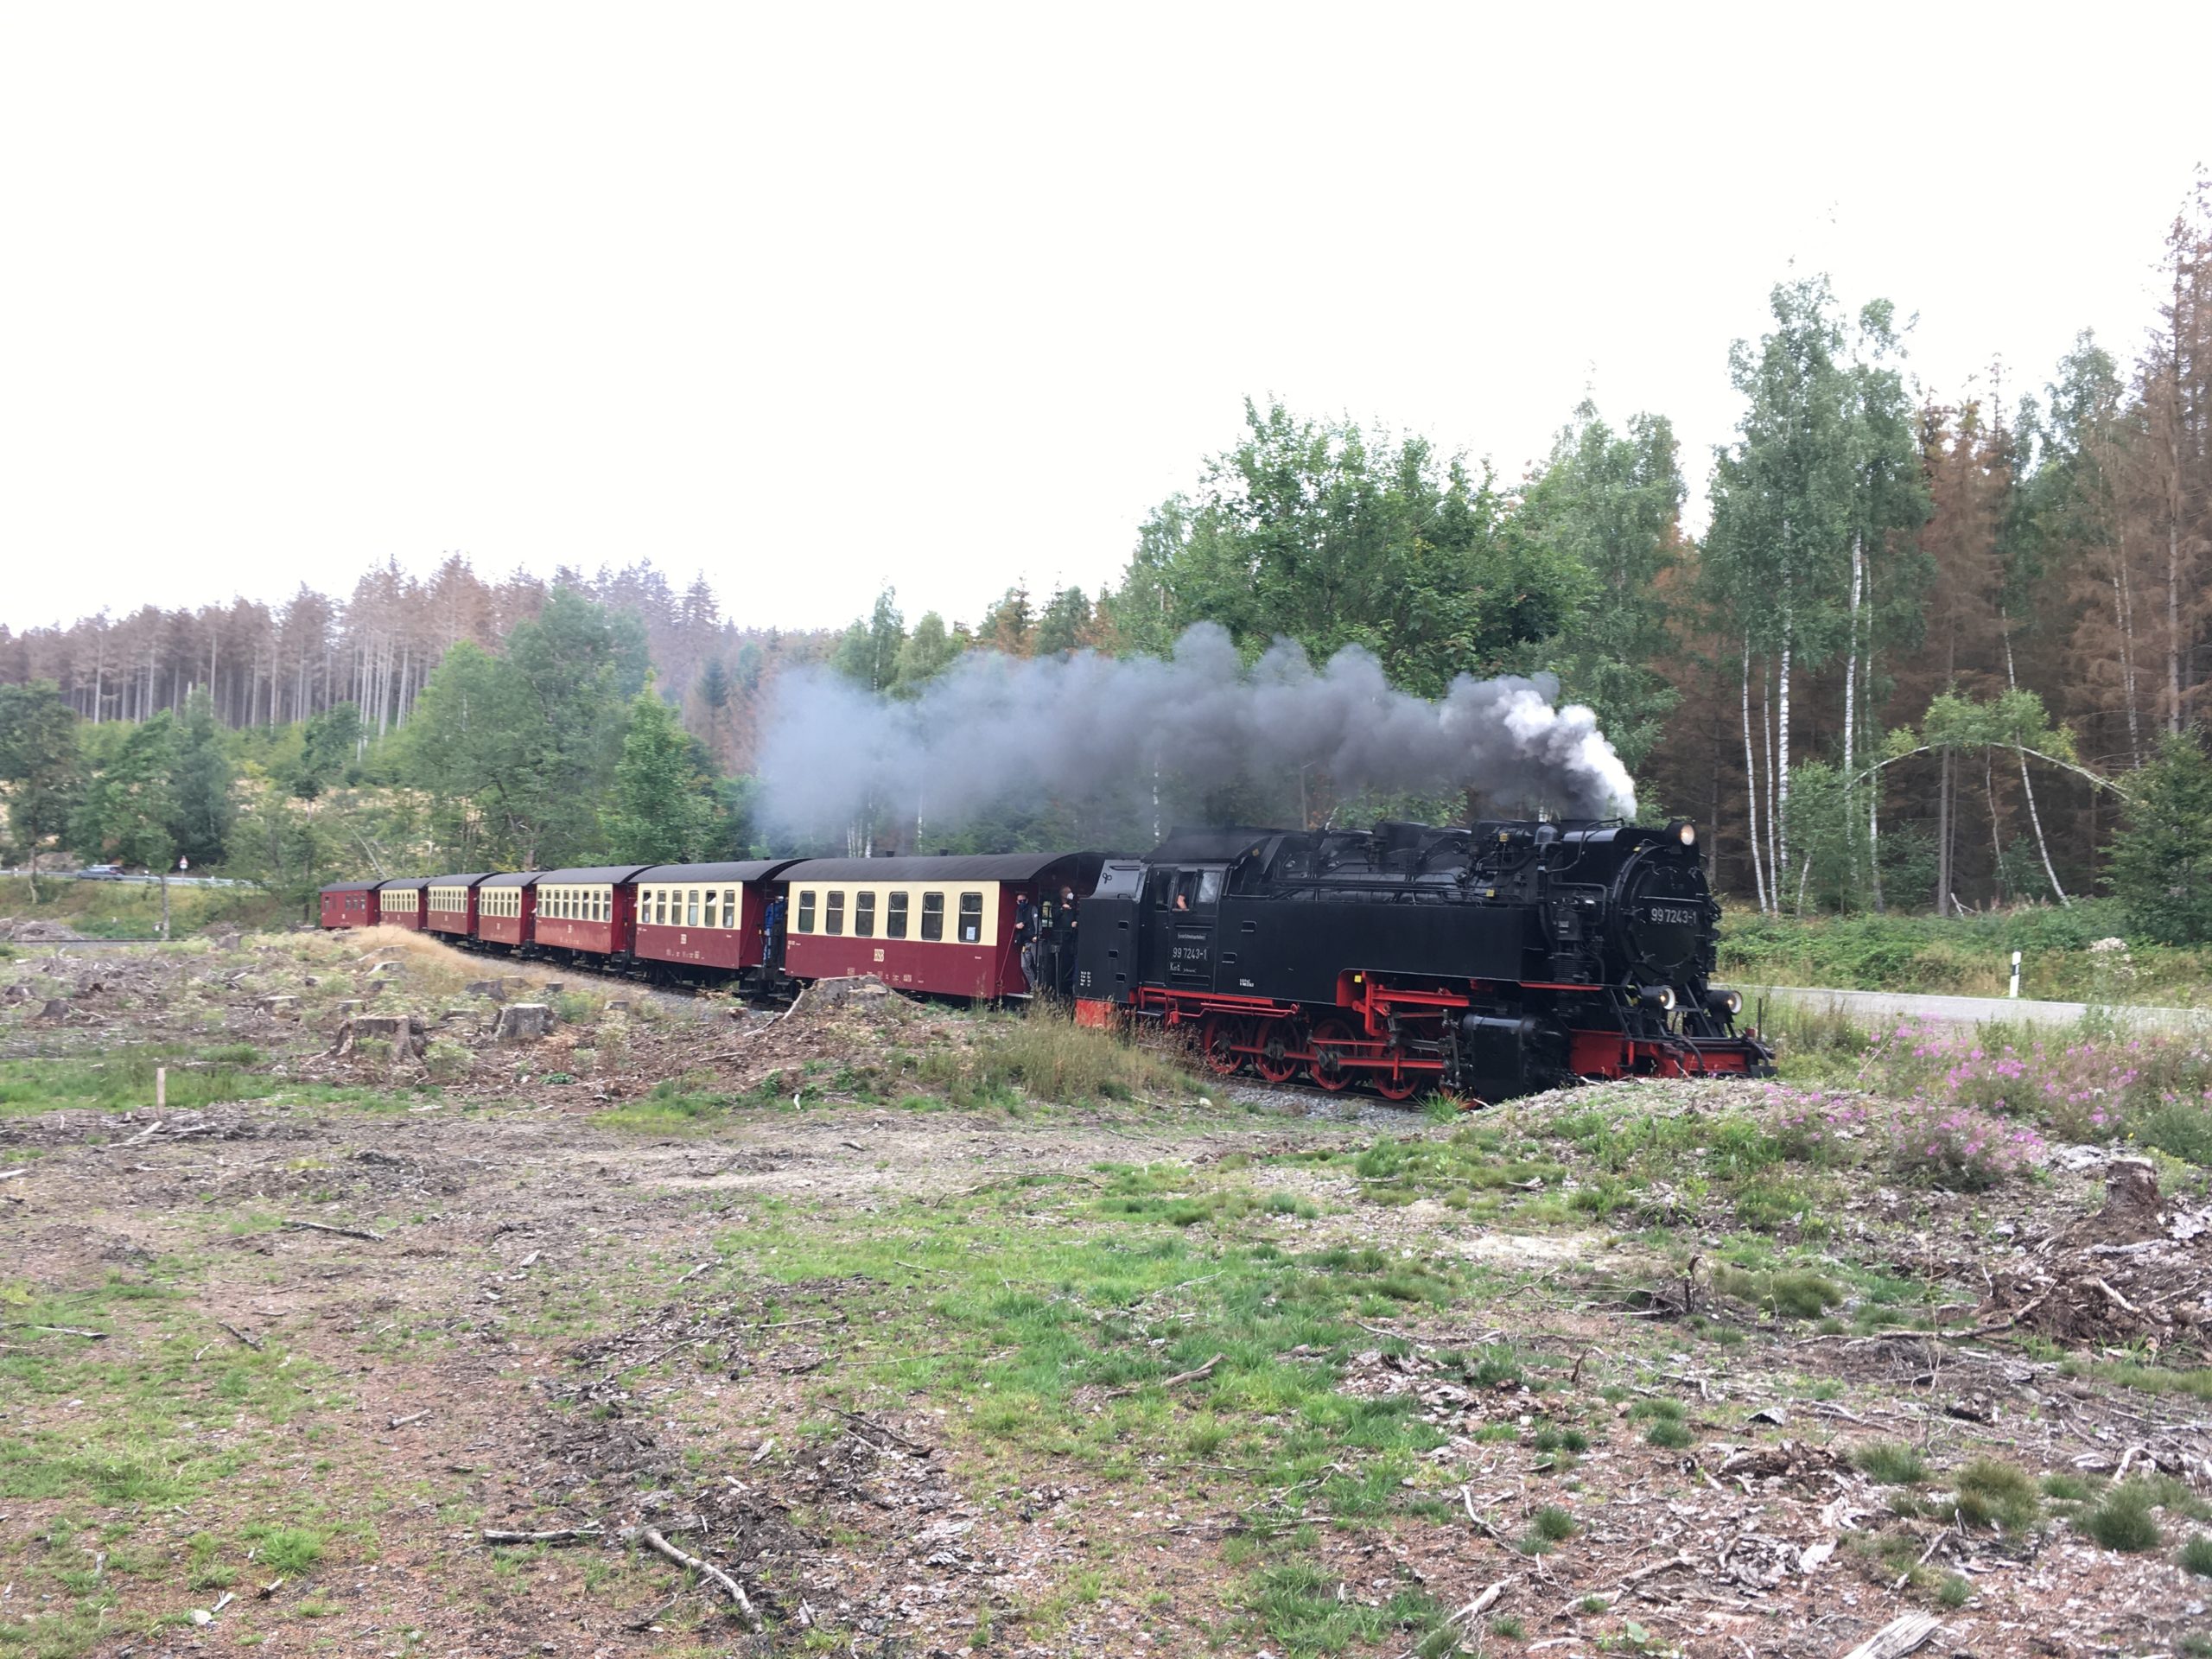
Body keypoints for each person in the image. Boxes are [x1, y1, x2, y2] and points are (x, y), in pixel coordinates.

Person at [1012, 892, 1038, 992]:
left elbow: (1037, 922)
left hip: (1034, 941)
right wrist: (1016, 926)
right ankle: (1034, 986)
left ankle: (1040, 987)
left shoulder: (1033, 908)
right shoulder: (1018, 911)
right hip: (1024, 943)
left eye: (1024, 900)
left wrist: (1037, 936)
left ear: (1027, 900)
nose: (1022, 902)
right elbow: (1014, 924)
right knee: (1024, 966)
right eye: (1020, 901)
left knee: (1038, 965)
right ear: (1017, 902)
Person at [1057, 885, 1080, 995]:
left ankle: (1069, 988)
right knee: (1062, 965)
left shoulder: (1073, 906)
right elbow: (1054, 917)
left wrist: (1075, 924)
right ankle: (1060, 988)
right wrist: (1061, 909)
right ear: (1062, 894)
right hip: (1060, 939)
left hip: (1071, 939)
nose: (1071, 893)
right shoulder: (1056, 905)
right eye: (1068, 892)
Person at [763, 893, 786, 967]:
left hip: (778, 926)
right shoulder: (771, 906)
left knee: (777, 944)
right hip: (770, 927)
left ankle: (775, 959)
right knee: (769, 944)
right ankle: (767, 959)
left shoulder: (782, 905)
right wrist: (766, 928)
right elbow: (767, 917)